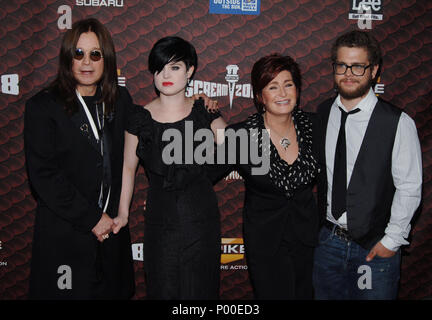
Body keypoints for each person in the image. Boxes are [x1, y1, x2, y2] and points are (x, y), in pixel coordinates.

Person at [24, 18, 135, 299]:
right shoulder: (43, 106)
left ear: (106, 59)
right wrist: (91, 218)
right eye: (79, 54)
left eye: (95, 54)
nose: (87, 62)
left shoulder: (120, 100)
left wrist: (195, 103)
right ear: (67, 58)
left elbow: (148, 132)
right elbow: (44, 176)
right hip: (66, 236)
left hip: (111, 236)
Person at [313, 30, 422, 300]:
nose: (349, 73)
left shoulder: (397, 122)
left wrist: (391, 241)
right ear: (334, 68)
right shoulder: (324, 112)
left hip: (373, 248)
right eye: (342, 65)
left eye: (358, 66)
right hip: (328, 243)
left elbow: (409, 186)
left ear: (373, 71)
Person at [114, 36, 226, 299]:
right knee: (163, 288)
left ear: (190, 71)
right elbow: (128, 169)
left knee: (201, 292)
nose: (165, 74)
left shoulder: (203, 111)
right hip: (160, 221)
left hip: (201, 219)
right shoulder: (139, 118)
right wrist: (122, 213)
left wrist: (202, 175)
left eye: (175, 67)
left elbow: (233, 149)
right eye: (159, 68)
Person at [208, 54, 321, 299]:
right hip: (266, 243)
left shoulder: (316, 127)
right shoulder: (243, 136)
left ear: (298, 90)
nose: (282, 93)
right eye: (273, 86)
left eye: (288, 84)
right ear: (260, 96)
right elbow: (203, 175)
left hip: (308, 240)